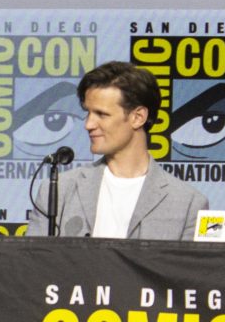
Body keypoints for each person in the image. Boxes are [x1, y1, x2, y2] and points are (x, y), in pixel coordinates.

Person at [27, 61, 207, 239]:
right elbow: (32, 262)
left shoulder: (188, 204)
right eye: (87, 113)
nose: (88, 124)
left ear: (138, 117)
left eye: (102, 114)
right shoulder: (59, 190)